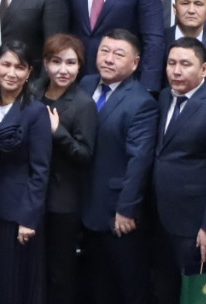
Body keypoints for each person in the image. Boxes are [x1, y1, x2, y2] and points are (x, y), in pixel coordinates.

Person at [150, 37, 206, 304]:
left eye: (185, 64)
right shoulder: (165, 97)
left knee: (196, 295)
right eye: (171, 63)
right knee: (164, 291)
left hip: (195, 224)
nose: (176, 71)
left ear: (204, 69)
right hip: (161, 218)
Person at [80, 29, 157, 304]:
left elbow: (139, 161)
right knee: (95, 286)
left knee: (128, 287)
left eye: (118, 54)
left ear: (135, 63)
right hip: (84, 206)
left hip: (118, 212)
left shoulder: (142, 102)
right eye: (104, 51)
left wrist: (126, 209)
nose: (108, 59)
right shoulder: (85, 84)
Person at [0, 42, 52, 301]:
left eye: (19, 67)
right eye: (6, 65)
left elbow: (40, 170)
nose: (11, 73)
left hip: (18, 214)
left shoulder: (36, 111)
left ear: (29, 73)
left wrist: (28, 219)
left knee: (15, 285)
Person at [41, 33, 96, 304]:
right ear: (45, 63)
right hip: (33, 194)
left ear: (80, 66)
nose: (63, 69)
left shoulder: (84, 104)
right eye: (56, 61)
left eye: (71, 63)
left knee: (60, 272)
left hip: (63, 200)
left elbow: (85, 154)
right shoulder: (34, 92)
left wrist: (58, 132)